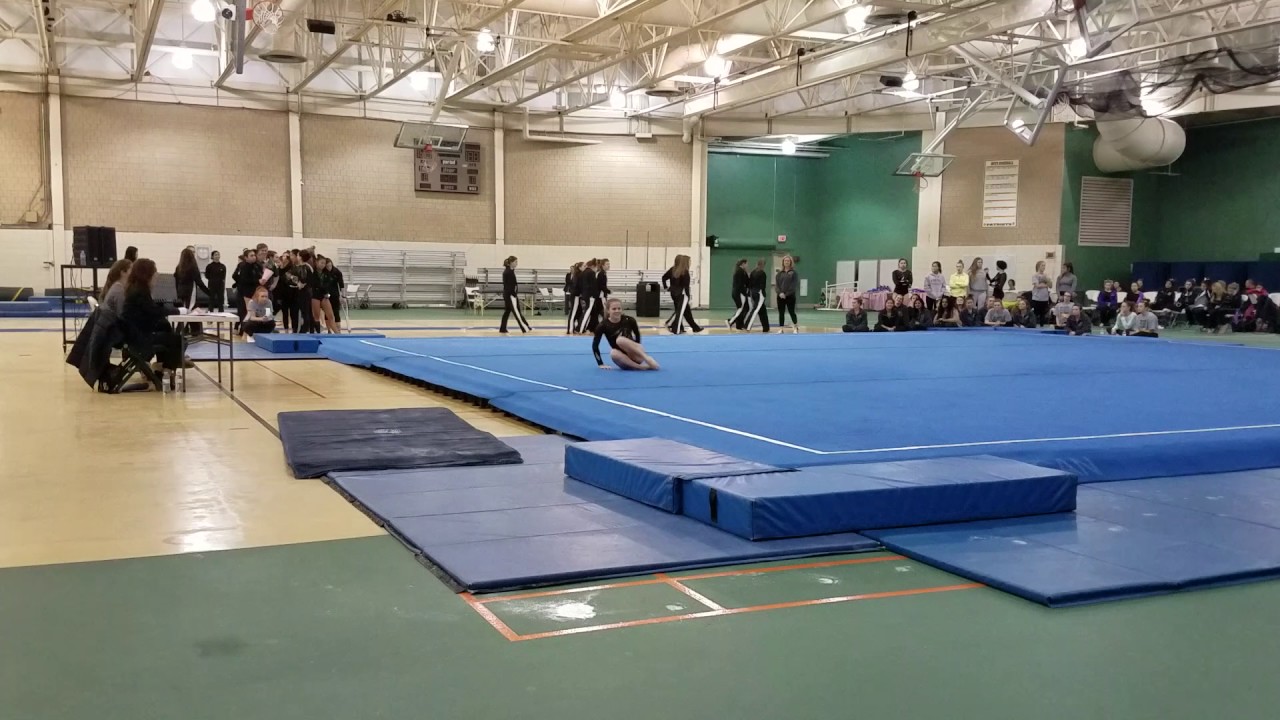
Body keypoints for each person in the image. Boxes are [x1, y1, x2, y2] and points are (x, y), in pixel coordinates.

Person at [120, 258, 186, 373]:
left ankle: (162, 364)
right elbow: (154, 311)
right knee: (178, 340)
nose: (157, 275)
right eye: (154, 272)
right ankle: (167, 369)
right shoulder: (139, 291)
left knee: (165, 326)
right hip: (138, 337)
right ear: (147, 274)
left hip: (134, 333)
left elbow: (151, 310)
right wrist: (179, 311)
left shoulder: (136, 288)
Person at [593, 299, 659, 370]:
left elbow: (637, 335)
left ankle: (648, 358)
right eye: (614, 309)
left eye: (619, 308)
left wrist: (638, 350)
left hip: (636, 354)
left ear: (622, 309)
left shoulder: (629, 320)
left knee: (620, 340)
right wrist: (600, 364)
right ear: (608, 311)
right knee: (613, 353)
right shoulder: (603, 325)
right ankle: (641, 367)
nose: (617, 311)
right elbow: (595, 345)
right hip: (623, 359)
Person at [174, 247, 210, 338]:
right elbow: (199, 282)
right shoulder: (193, 267)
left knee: (188, 311)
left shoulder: (179, 267)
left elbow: (176, 283)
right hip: (190, 293)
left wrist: (178, 294)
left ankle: (191, 331)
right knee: (189, 311)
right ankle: (180, 332)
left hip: (181, 293)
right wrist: (209, 293)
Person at [662, 254, 701, 334]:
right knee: (680, 312)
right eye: (689, 261)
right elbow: (686, 286)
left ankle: (694, 327)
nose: (690, 263)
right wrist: (688, 296)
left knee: (686, 311)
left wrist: (666, 287)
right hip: (682, 295)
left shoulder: (673, 270)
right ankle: (672, 326)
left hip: (673, 293)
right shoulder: (685, 272)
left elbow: (664, 277)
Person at [499, 255, 531, 335]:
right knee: (517, 312)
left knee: (507, 312)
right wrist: (513, 294)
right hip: (510, 295)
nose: (517, 263)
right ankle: (525, 327)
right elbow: (509, 286)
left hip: (509, 294)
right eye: (516, 262)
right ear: (511, 262)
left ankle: (503, 328)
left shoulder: (510, 271)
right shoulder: (508, 272)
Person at [289, 250, 317, 333]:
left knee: (305, 311)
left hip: (305, 292)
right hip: (303, 291)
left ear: (300, 257)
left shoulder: (305, 267)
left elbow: (304, 280)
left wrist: (299, 283)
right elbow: (290, 275)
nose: (297, 256)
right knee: (306, 310)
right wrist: (294, 279)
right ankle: (310, 328)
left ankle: (306, 328)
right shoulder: (299, 266)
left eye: (297, 255)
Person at [232, 248, 261, 325]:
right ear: (246, 258)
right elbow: (237, 277)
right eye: (251, 256)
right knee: (244, 311)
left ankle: (250, 328)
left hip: (254, 291)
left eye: (254, 255)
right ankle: (243, 329)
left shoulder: (257, 266)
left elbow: (259, 276)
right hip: (244, 292)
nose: (254, 257)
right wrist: (239, 283)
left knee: (252, 311)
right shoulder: (243, 266)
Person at [775, 255, 799, 333]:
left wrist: (786, 294)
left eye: (788, 261)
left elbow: (793, 285)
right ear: (783, 262)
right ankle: (781, 328)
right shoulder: (779, 273)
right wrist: (780, 293)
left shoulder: (794, 273)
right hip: (780, 296)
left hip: (790, 296)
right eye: (785, 261)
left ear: (790, 262)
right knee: (781, 312)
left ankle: (795, 327)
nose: (786, 262)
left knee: (791, 311)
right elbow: (777, 285)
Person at [746, 259, 770, 333]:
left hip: (753, 292)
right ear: (762, 265)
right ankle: (747, 325)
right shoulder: (762, 273)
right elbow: (763, 286)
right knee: (756, 309)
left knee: (763, 311)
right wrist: (762, 293)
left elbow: (750, 284)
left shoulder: (753, 272)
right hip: (759, 293)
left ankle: (766, 327)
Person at [575, 259, 598, 334]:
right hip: (590, 295)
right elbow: (594, 285)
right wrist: (595, 295)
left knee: (591, 312)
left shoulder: (583, 272)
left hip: (585, 294)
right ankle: (580, 329)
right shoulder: (591, 272)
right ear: (593, 266)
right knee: (587, 312)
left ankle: (590, 327)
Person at [727, 258, 750, 330]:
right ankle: (730, 321)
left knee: (744, 308)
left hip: (738, 293)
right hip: (739, 293)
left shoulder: (741, 271)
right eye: (746, 264)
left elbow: (746, 282)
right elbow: (740, 284)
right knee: (741, 308)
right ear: (743, 264)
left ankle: (739, 325)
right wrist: (745, 293)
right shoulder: (739, 271)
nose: (747, 265)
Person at [1031, 260, 1052, 325]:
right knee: (1036, 313)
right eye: (1042, 265)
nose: (1044, 267)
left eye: (1044, 265)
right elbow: (1037, 286)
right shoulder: (1035, 275)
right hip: (1037, 297)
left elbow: (1051, 285)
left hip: (1045, 297)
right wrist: (1046, 285)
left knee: (1043, 314)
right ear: (1038, 266)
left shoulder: (1046, 275)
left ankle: (1042, 325)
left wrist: (1047, 281)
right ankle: (1035, 325)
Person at [564, 263, 580, 334]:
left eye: (572, 269)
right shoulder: (570, 275)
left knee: (577, 312)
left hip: (576, 294)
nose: (571, 270)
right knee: (573, 312)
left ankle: (577, 328)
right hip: (573, 293)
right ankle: (570, 329)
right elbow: (568, 282)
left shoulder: (577, 275)